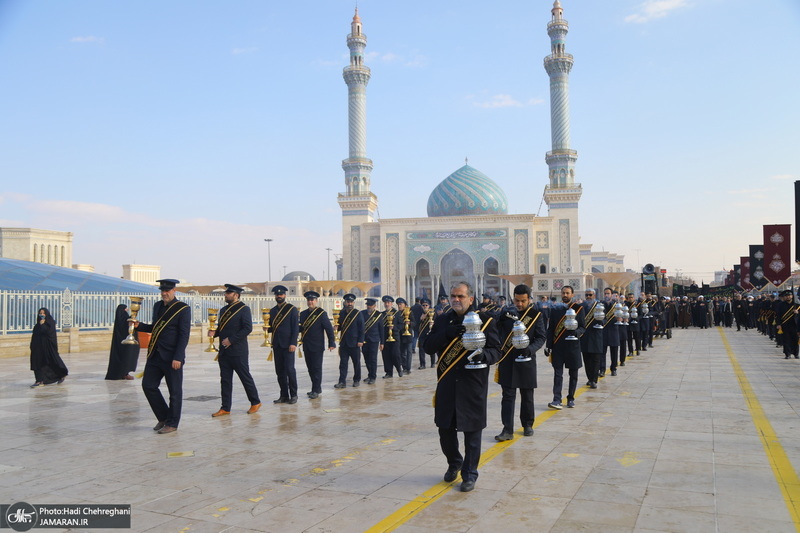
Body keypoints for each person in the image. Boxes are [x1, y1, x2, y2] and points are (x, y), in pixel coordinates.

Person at [423, 281, 501, 492]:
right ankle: (454, 462)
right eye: (453, 296)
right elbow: (427, 346)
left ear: (471, 299)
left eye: (461, 296)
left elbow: (497, 351)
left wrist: (483, 354)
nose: (456, 300)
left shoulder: (485, 321)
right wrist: (447, 334)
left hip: (472, 385)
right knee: (445, 430)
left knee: (472, 433)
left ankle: (469, 474)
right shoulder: (442, 321)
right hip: (447, 384)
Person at [135, 279, 191, 434]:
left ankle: (172, 424)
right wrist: (139, 326)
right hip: (155, 354)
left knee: (174, 391)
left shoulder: (183, 309)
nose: (164, 293)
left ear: (174, 290)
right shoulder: (158, 306)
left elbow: (184, 335)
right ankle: (164, 417)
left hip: (172, 357)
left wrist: (178, 357)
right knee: (148, 385)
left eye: (167, 290)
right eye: (162, 291)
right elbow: (155, 328)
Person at [494, 284, 546, 441]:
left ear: (529, 299)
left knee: (527, 395)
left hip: (526, 360)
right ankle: (507, 429)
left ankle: (528, 425)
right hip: (508, 360)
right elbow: (496, 330)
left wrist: (529, 349)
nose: (520, 304)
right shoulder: (507, 313)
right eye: (517, 300)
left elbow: (541, 337)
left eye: (523, 301)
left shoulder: (536, 315)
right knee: (508, 396)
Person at [210, 284, 261, 417]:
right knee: (225, 380)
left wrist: (231, 340)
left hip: (238, 350)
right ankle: (225, 407)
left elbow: (247, 328)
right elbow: (222, 328)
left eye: (229, 293)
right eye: (226, 293)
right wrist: (215, 332)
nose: (225, 295)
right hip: (224, 351)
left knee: (245, 377)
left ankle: (255, 401)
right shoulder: (223, 310)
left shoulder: (244, 309)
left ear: (236, 295)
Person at [545, 285, 585, 409]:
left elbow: (583, 327)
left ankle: (571, 398)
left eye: (568, 293)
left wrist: (575, 333)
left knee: (573, 374)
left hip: (573, 346)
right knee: (558, 374)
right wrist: (548, 346)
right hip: (558, 346)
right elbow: (551, 329)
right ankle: (557, 399)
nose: (565, 295)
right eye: (563, 293)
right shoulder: (555, 309)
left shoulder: (578, 309)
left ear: (572, 295)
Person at [298, 290, 336, 398]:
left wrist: (331, 342)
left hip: (317, 346)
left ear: (316, 301)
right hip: (306, 345)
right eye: (309, 300)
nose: (310, 302)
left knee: (316, 368)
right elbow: (300, 328)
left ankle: (315, 389)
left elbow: (328, 329)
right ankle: (316, 388)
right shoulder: (303, 314)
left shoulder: (321, 313)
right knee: (310, 368)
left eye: (312, 300)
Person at [268, 285, 300, 404]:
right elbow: (273, 327)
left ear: (285, 295)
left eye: (281, 294)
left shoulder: (291, 309)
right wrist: (267, 329)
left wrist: (293, 343)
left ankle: (294, 395)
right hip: (277, 345)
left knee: (290, 370)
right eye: (277, 294)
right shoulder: (272, 311)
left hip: (288, 345)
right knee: (280, 371)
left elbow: (295, 328)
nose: (279, 296)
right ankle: (283, 395)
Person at [30, 307, 69, 387]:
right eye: (40, 313)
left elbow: (49, 333)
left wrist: (43, 324)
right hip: (38, 348)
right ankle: (39, 380)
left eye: (43, 313)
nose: (42, 315)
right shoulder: (37, 325)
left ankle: (60, 374)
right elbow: (35, 335)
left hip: (47, 347)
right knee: (37, 363)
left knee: (51, 361)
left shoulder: (50, 323)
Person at [335, 293, 363, 389]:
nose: (349, 304)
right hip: (344, 343)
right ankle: (342, 381)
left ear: (353, 303)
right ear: (345, 303)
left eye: (351, 302)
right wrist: (336, 327)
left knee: (356, 363)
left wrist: (360, 340)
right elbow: (341, 326)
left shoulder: (357, 313)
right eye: (348, 302)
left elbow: (361, 328)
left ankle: (356, 380)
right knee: (343, 363)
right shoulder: (342, 313)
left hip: (355, 343)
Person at [105, 304, 139, 380]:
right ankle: (124, 373)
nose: (126, 310)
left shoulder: (119, 319)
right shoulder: (126, 319)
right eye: (125, 309)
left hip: (119, 344)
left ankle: (122, 373)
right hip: (126, 345)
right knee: (126, 357)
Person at [580, 289, 603, 389]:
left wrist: (600, 322)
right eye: (586, 295)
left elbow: (605, 318)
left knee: (596, 359)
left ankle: (594, 380)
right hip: (585, 337)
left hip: (596, 336)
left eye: (590, 295)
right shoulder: (581, 307)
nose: (588, 297)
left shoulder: (599, 306)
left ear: (594, 295)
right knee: (587, 360)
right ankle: (589, 378)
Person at [360, 297, 384, 384]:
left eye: (371, 305)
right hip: (364, 340)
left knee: (373, 359)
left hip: (374, 340)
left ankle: (373, 377)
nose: (369, 307)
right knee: (366, 359)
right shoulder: (362, 313)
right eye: (368, 305)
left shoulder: (378, 315)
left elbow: (381, 329)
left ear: (374, 306)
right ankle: (370, 374)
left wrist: (382, 342)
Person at [380, 296, 403, 378]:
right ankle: (389, 372)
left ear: (391, 303)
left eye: (388, 303)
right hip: (385, 337)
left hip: (395, 337)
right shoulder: (382, 314)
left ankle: (399, 370)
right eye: (385, 303)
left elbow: (401, 325)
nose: (387, 304)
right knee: (386, 356)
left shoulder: (396, 313)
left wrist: (394, 328)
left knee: (395, 354)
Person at [774, 289, 799, 359]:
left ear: (792, 296)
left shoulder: (797, 305)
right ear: (784, 297)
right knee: (786, 340)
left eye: (789, 295)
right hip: (785, 325)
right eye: (786, 296)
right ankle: (787, 354)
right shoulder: (780, 305)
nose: (788, 297)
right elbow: (778, 315)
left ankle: (795, 353)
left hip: (795, 325)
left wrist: (797, 313)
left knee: (795, 340)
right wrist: (778, 324)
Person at [396, 297, 416, 374]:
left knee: (409, 352)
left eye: (401, 304)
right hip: (401, 335)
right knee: (402, 352)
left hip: (408, 335)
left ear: (405, 305)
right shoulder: (397, 314)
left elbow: (414, 323)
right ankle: (404, 367)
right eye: (398, 304)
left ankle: (408, 368)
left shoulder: (409, 312)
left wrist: (410, 323)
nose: (399, 306)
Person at [417, 298, 435, 368]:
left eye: (426, 305)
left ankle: (433, 363)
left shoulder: (432, 313)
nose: (425, 307)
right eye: (423, 305)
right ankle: (422, 364)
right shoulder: (419, 313)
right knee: (421, 350)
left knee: (432, 348)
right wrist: (421, 319)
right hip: (422, 334)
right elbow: (416, 324)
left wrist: (432, 323)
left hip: (430, 334)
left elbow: (437, 322)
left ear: (429, 305)